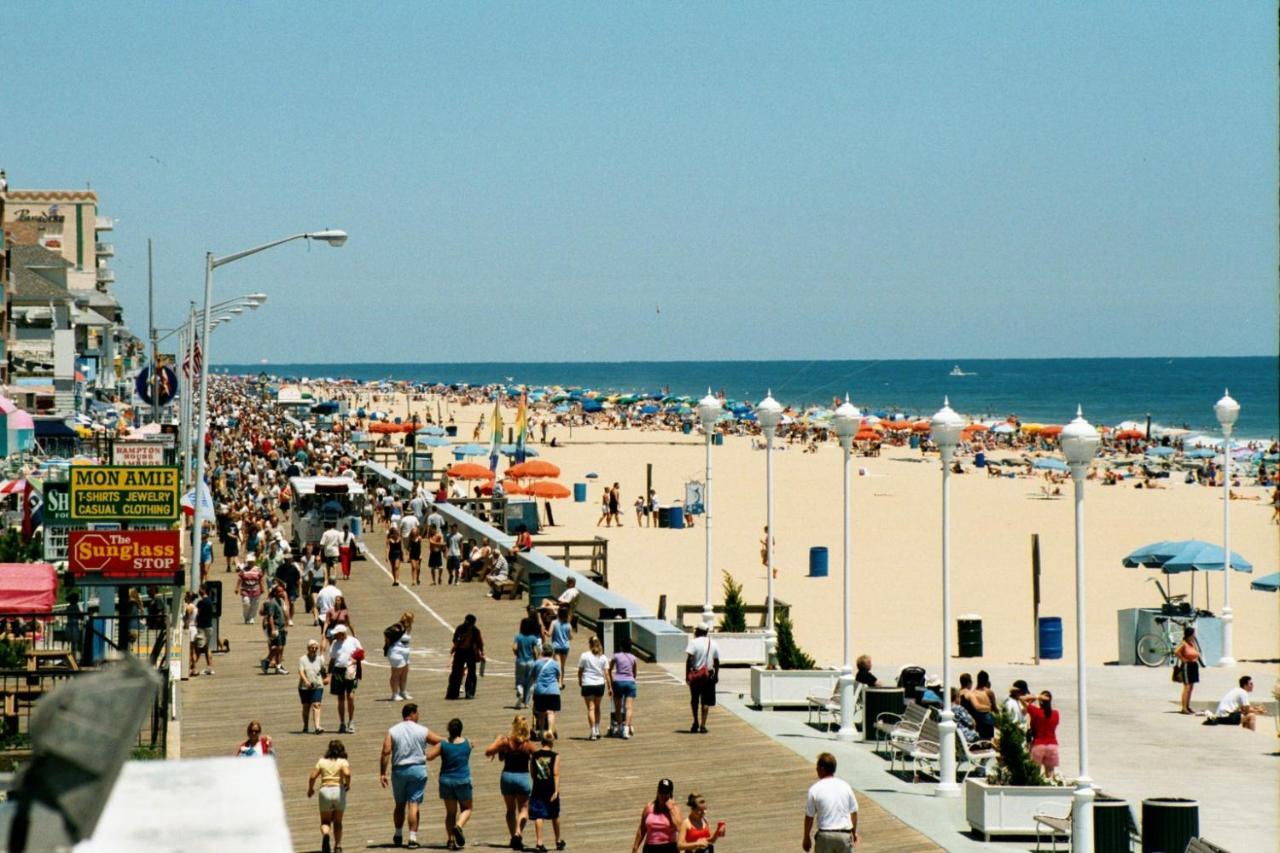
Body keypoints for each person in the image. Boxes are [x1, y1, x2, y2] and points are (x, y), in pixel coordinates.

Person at [380, 702, 443, 849]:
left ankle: (398, 833)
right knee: (413, 804)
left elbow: (386, 751)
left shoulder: (393, 731)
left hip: (399, 770)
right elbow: (439, 742)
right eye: (417, 713)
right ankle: (413, 838)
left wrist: (383, 773)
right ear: (413, 714)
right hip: (417, 769)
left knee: (399, 804)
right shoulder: (422, 730)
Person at [485, 715, 537, 851]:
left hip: (507, 777)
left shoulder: (506, 741)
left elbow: (488, 751)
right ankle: (518, 832)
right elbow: (539, 756)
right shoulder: (528, 744)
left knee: (510, 810)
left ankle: (513, 836)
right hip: (522, 777)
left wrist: (497, 741)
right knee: (524, 809)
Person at [427, 717, 473, 851]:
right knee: (467, 808)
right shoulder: (468, 743)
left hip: (446, 781)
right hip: (463, 780)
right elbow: (470, 746)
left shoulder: (443, 744)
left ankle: (450, 840)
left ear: (449, 730)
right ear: (460, 730)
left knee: (450, 813)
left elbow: (429, 756)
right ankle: (459, 825)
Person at [801, 753, 858, 853]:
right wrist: (854, 832)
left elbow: (809, 817)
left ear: (822, 769)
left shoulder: (815, 789)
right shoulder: (845, 786)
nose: (816, 769)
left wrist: (806, 837)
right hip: (844, 835)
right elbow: (854, 811)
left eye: (817, 767)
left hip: (825, 837)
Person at [307, 738, 352, 853]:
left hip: (325, 791)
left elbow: (312, 777)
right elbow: (347, 773)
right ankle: (337, 846)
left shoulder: (322, 761)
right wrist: (347, 784)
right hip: (338, 791)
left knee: (325, 822)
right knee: (338, 821)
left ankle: (326, 834)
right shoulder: (342, 761)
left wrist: (311, 789)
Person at [529, 732, 564, 852]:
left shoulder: (534, 755)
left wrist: (536, 781)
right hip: (550, 788)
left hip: (538, 787)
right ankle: (558, 840)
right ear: (551, 743)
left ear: (542, 742)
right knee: (555, 814)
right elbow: (556, 773)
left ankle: (539, 842)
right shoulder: (555, 756)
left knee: (539, 815)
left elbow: (532, 772)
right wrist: (556, 790)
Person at [328, 625, 364, 734]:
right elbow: (333, 659)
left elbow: (361, 654)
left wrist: (355, 660)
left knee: (351, 696)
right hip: (338, 671)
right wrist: (328, 674)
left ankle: (351, 721)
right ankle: (342, 722)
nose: (335, 635)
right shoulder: (335, 643)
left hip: (350, 670)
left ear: (342, 633)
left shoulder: (353, 641)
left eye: (337, 633)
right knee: (340, 698)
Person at [684, 626, 720, 734]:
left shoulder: (693, 642)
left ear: (699, 631)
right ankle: (703, 725)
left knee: (694, 699)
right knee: (706, 701)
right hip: (708, 675)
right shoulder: (713, 643)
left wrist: (687, 675)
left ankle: (695, 722)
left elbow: (689, 659)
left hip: (695, 675)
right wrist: (717, 675)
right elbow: (717, 661)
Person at [632, 778, 683, 853]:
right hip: (650, 847)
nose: (663, 795)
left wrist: (670, 809)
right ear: (657, 792)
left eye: (666, 793)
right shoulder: (649, 807)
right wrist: (635, 848)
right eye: (661, 792)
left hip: (669, 846)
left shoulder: (675, 808)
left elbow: (679, 828)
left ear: (670, 794)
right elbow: (642, 829)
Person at [577, 635, 610, 740]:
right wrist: (610, 687)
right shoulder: (603, 657)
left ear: (590, 644)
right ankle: (597, 728)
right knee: (597, 707)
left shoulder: (584, 656)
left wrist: (580, 680)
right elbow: (606, 674)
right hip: (599, 684)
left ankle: (592, 731)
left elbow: (580, 671)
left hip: (587, 683)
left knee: (591, 708)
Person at [446, 614, 485, 701]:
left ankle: (469, 693)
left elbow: (479, 642)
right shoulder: (460, 628)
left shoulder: (475, 631)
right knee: (456, 673)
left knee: (471, 673)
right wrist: (461, 638)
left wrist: (482, 653)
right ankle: (453, 693)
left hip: (471, 652)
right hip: (460, 652)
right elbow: (454, 640)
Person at [1022, 690, 1060, 774]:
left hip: (1038, 744)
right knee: (1050, 773)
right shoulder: (1056, 714)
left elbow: (1022, 699)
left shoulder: (1036, 712)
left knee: (1035, 772)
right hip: (1052, 745)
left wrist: (1037, 696)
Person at [609, 636, 640, 738]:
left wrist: (611, 679)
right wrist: (632, 679)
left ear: (621, 647)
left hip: (618, 681)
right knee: (629, 707)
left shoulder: (616, 656)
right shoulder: (633, 657)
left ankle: (619, 726)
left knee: (618, 707)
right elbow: (634, 673)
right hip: (630, 682)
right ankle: (626, 727)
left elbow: (609, 668)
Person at [530, 644, 563, 739]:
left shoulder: (537, 663)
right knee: (551, 712)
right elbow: (558, 675)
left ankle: (540, 731)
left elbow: (532, 676)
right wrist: (559, 684)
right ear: (552, 652)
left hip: (540, 690)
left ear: (542, 652)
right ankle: (549, 730)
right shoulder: (555, 664)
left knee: (541, 712)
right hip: (553, 690)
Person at [513, 614, 543, 710]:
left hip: (520, 661)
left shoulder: (518, 637)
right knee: (530, 683)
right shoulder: (533, 638)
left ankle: (520, 692)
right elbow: (537, 650)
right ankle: (527, 702)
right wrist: (536, 657)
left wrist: (517, 654)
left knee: (519, 680)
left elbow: (514, 647)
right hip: (531, 662)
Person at [299, 639, 329, 734]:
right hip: (305, 687)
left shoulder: (320, 659)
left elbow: (323, 670)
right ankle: (306, 725)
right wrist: (306, 681)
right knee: (306, 707)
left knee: (317, 705)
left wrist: (326, 678)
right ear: (308, 648)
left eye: (316, 648)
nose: (314, 649)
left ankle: (317, 727)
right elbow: (301, 672)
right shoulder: (302, 659)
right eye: (312, 647)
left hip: (317, 685)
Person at [386, 610, 415, 701]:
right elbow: (386, 633)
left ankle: (403, 691)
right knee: (396, 673)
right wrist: (388, 645)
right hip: (396, 652)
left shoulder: (409, 628)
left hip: (405, 652)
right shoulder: (398, 626)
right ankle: (394, 694)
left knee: (404, 672)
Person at [260, 586, 289, 675]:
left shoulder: (281, 601)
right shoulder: (272, 603)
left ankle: (278, 666)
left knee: (281, 647)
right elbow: (270, 617)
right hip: (276, 627)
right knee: (278, 647)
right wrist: (272, 629)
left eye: (282, 591)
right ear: (275, 593)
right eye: (280, 592)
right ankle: (267, 660)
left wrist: (286, 627)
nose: (282, 593)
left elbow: (285, 615)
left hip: (282, 627)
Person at [1174, 625, 1202, 714]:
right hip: (1187, 665)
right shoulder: (1184, 643)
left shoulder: (1192, 643)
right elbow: (1176, 652)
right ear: (1190, 634)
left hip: (1194, 665)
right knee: (1187, 687)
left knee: (1191, 687)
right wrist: (1183, 659)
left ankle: (1188, 706)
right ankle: (1184, 708)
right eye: (1193, 634)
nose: (1195, 635)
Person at [192, 584, 215, 676]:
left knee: (198, 648)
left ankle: (193, 668)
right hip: (209, 627)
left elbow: (197, 613)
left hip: (201, 627)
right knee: (207, 648)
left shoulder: (201, 602)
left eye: (200, 589)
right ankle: (209, 668)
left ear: (204, 590)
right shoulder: (210, 601)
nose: (199, 591)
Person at [549, 606, 572, 688]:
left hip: (556, 646)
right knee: (562, 665)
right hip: (565, 646)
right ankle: (561, 682)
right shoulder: (568, 624)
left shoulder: (554, 623)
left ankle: (558, 682)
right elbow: (570, 637)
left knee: (558, 665)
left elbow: (550, 634)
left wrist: (545, 632)